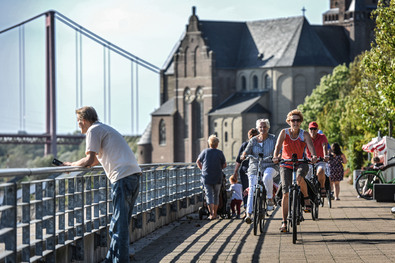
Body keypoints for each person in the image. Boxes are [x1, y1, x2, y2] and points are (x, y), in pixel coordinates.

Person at [63, 106, 141, 263]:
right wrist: (77, 164)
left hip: (122, 178)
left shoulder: (93, 130)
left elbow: (89, 160)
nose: (78, 126)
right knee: (119, 224)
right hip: (134, 175)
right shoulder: (104, 128)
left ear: (83, 121)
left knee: (120, 227)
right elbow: (96, 161)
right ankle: (110, 259)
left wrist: (70, 166)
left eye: (78, 122)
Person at [272, 109, 317, 233]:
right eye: (293, 120)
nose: (295, 122)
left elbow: (311, 147)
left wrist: (313, 156)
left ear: (301, 122)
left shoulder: (304, 134)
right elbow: (278, 146)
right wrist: (275, 156)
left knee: (299, 178)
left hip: (301, 162)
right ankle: (284, 222)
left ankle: (306, 198)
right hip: (285, 163)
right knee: (285, 192)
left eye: (298, 120)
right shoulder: (284, 133)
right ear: (289, 122)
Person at [241, 119, 277, 224]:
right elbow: (246, 151)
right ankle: (248, 214)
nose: (263, 129)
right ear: (257, 128)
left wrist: (277, 157)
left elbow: (279, 150)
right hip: (254, 166)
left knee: (267, 177)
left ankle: (270, 198)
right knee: (252, 188)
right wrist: (244, 155)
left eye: (265, 126)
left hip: (270, 165)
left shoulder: (273, 139)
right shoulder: (253, 140)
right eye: (260, 127)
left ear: (268, 127)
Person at [196, 135, 227, 220]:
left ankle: (211, 214)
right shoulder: (220, 153)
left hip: (206, 176)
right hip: (217, 176)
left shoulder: (205, 151)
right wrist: (219, 168)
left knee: (208, 195)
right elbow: (225, 165)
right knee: (216, 195)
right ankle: (216, 213)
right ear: (217, 144)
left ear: (209, 144)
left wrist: (202, 169)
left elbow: (198, 161)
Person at [233, 128, 259, 213]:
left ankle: (247, 208)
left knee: (246, 189)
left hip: (245, 170)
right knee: (255, 188)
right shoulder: (259, 144)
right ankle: (254, 207)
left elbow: (238, 160)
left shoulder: (244, 145)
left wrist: (235, 172)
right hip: (253, 170)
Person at [305, 121, 329, 196]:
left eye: (314, 129)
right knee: (306, 178)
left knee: (321, 171)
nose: (313, 131)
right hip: (309, 160)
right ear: (308, 129)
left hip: (320, 160)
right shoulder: (306, 137)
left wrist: (326, 156)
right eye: (311, 129)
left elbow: (324, 146)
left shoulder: (322, 136)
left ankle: (322, 187)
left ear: (317, 129)